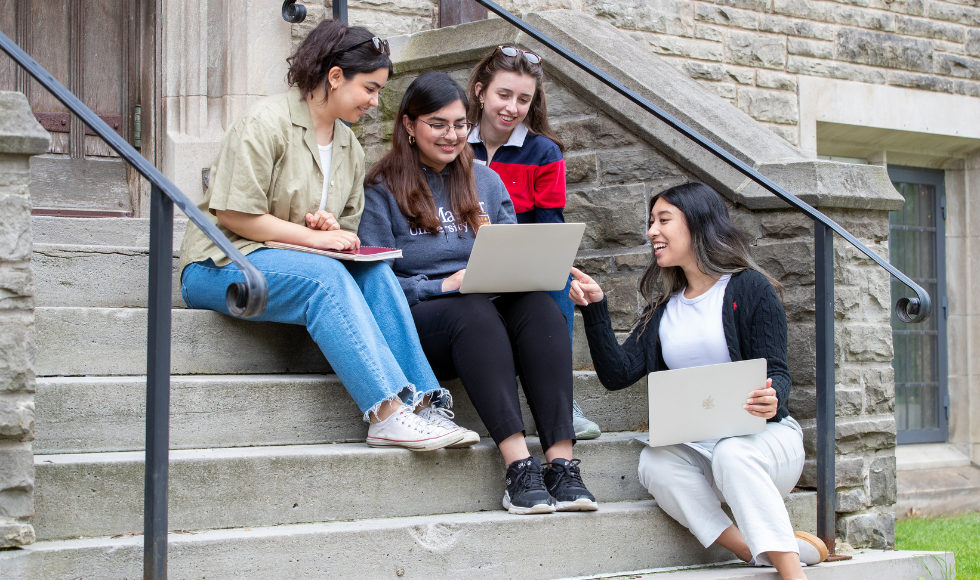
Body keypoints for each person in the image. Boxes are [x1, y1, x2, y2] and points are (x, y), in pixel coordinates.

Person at [178, 20, 476, 452]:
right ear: (335, 77)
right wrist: (313, 239)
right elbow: (234, 214)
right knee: (326, 279)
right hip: (220, 263)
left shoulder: (348, 146)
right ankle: (386, 414)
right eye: (370, 89)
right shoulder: (265, 122)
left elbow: (343, 227)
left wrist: (329, 229)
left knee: (376, 274)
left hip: (287, 260)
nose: (376, 102)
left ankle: (421, 402)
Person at [358, 71, 597, 515]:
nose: (452, 136)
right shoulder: (381, 189)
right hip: (429, 321)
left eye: (460, 124)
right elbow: (374, 283)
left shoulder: (484, 180)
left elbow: (511, 249)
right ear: (409, 125)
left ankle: (562, 465)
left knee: (542, 309)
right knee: (472, 312)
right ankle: (518, 467)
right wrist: (440, 285)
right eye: (438, 124)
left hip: (489, 304)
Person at [569, 182, 828, 580]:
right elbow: (617, 374)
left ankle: (794, 574)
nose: (652, 231)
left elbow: (777, 371)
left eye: (663, 220)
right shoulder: (664, 310)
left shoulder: (750, 288)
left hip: (767, 447)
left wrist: (772, 396)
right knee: (655, 462)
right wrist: (596, 309)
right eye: (650, 222)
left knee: (733, 453)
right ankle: (751, 550)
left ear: (698, 224)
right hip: (704, 455)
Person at [466, 45, 601, 440]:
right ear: (480, 92)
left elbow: (548, 228)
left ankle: (563, 398)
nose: (512, 107)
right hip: (461, 259)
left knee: (559, 278)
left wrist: (552, 265)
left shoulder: (544, 151)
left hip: (518, 261)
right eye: (503, 95)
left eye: (523, 99)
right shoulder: (455, 143)